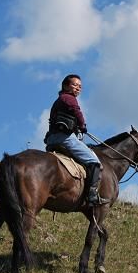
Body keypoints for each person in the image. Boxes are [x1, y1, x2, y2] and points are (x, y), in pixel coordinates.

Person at [44, 74, 108, 206]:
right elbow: (77, 112)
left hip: (52, 138)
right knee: (94, 161)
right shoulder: (69, 98)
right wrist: (83, 125)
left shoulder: (59, 99)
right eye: (75, 85)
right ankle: (91, 195)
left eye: (80, 86)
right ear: (66, 86)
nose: (78, 88)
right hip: (65, 138)